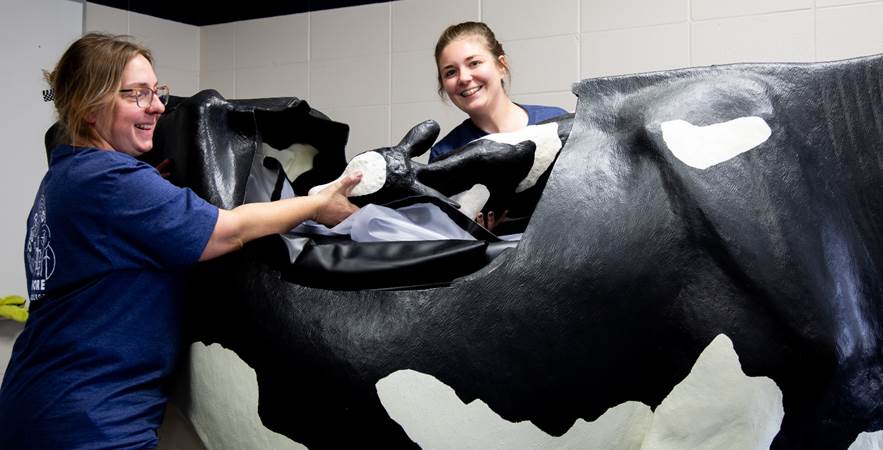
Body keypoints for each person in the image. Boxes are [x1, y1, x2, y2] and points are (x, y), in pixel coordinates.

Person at [0, 33, 361, 449]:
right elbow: (231, 230)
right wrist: (317, 205)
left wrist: (154, 194)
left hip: (38, 404)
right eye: (136, 95)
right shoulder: (110, 182)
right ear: (87, 106)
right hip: (89, 422)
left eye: (157, 92)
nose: (156, 106)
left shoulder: (66, 175)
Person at [430, 21, 567, 229]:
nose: (464, 78)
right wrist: (472, 234)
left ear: (501, 66)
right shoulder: (445, 154)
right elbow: (441, 233)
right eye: (450, 72)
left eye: (474, 63)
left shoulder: (557, 123)